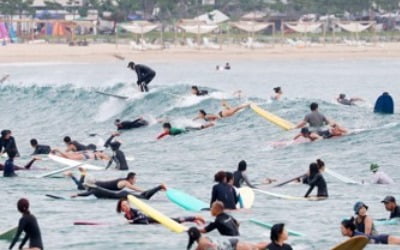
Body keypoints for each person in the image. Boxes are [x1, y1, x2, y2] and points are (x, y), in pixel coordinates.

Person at [117, 197, 205, 225]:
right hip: (154, 223)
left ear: (129, 205)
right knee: (175, 221)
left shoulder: (134, 211)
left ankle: (195, 217)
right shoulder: (126, 216)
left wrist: (132, 221)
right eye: (123, 206)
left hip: (155, 218)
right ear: (121, 208)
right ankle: (193, 220)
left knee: (175, 220)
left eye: (126, 204)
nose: (126, 207)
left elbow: (142, 217)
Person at [187, 227, 258, 250]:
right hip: (231, 242)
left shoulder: (201, 244)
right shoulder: (204, 238)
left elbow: (211, 245)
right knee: (257, 247)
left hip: (233, 246)